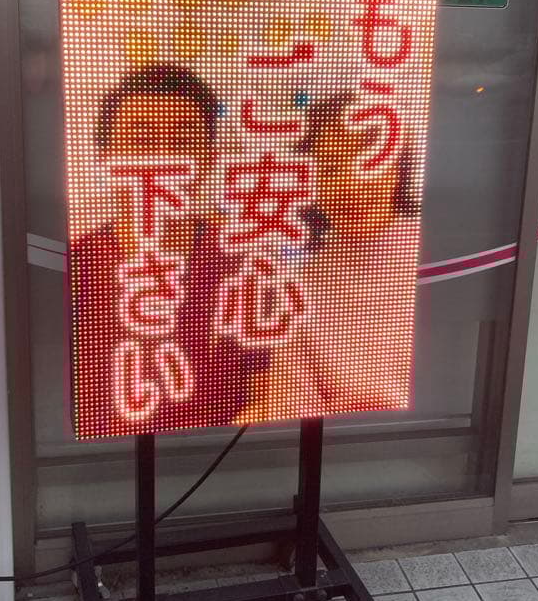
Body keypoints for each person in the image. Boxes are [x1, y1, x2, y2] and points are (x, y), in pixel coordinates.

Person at [70, 63, 267, 437]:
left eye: (184, 140)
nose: (164, 159)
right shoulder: (71, 269)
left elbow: (264, 390)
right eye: (141, 139)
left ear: (210, 158)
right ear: (104, 158)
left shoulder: (244, 265)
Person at [260, 91, 422, 419]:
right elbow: (291, 397)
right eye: (331, 168)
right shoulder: (302, 282)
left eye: (369, 159)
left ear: (399, 165)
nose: (350, 185)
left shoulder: (436, 251)